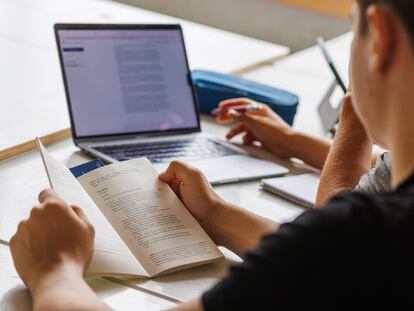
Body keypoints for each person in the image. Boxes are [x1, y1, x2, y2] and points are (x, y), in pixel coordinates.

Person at [10, 0, 414, 309]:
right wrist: (216, 216)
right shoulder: (364, 239)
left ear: (379, 39)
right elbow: (329, 267)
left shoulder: (358, 237)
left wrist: (55, 270)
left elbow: (334, 249)